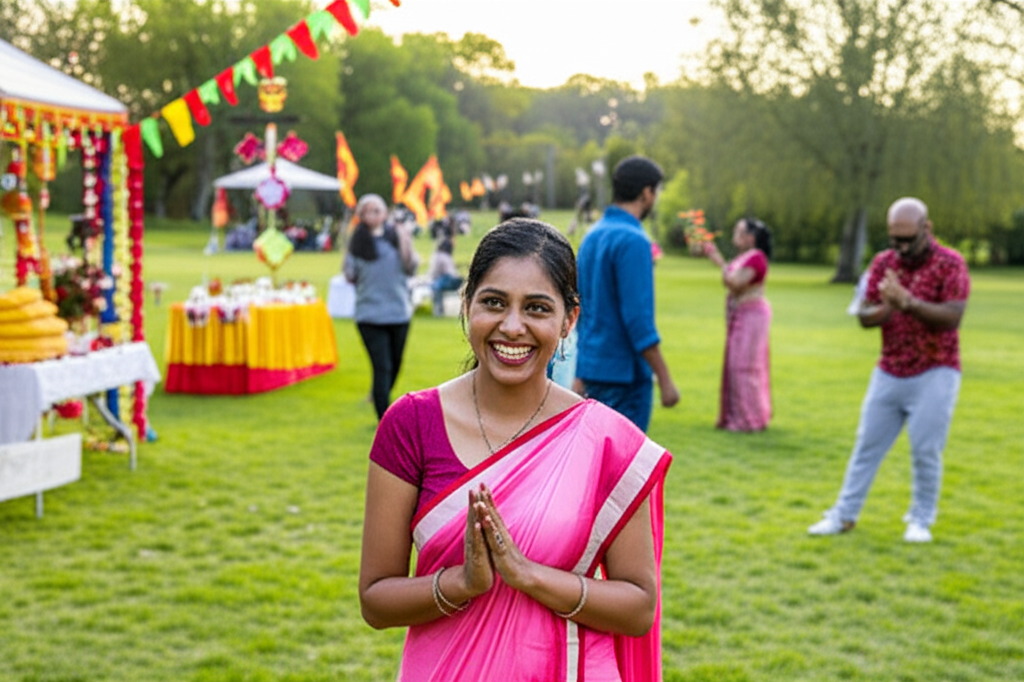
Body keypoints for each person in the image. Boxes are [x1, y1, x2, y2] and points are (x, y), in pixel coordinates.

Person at [359, 218, 673, 682]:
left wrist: (529, 576)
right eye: (493, 302)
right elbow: (375, 599)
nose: (512, 327)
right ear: (467, 305)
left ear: (569, 320)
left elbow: (639, 608)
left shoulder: (606, 440)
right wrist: (464, 584)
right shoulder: (411, 424)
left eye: (537, 308)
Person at [808, 197, 970, 543]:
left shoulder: (950, 264)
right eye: (894, 238)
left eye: (908, 239)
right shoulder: (884, 263)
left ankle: (920, 520)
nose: (900, 247)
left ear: (927, 229)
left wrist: (908, 302)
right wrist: (887, 306)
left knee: (926, 450)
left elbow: (953, 316)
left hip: (935, 370)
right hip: (889, 370)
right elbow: (865, 318)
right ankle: (844, 514)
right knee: (866, 446)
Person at [574, 155, 680, 432]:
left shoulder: (592, 236)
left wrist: (582, 371)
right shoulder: (633, 240)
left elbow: (581, 310)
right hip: (625, 376)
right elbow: (638, 321)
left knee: (598, 469)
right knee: (624, 472)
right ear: (647, 193)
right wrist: (665, 379)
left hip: (593, 369)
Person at [343, 193, 419, 420]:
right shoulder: (357, 243)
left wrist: (408, 242)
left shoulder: (398, 236)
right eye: (368, 210)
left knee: (396, 364)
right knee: (382, 367)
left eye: (378, 210)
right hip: (370, 315)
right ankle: (385, 420)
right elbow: (349, 273)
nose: (374, 214)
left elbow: (411, 265)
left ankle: (379, 394)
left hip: (398, 312)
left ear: (385, 213)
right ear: (361, 216)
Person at [703, 217, 774, 432]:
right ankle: (735, 416)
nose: (735, 236)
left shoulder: (757, 258)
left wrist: (717, 260)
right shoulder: (744, 258)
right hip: (740, 315)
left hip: (752, 316)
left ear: (750, 237)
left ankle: (748, 419)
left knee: (745, 366)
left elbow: (735, 283)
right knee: (735, 365)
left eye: (739, 232)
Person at [427, 237, 463, 317]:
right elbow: (451, 272)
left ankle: (438, 311)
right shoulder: (445, 256)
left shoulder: (436, 255)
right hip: (446, 279)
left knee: (437, 286)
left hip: (440, 279)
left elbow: (433, 272)